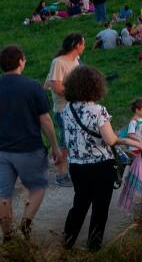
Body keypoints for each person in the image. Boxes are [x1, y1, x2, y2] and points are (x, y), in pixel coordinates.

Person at [61, 66, 142, 251]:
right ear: (95, 86)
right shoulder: (98, 110)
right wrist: (130, 141)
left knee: (79, 204)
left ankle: (67, 241)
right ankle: (93, 246)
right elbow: (110, 139)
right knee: (100, 207)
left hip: (76, 165)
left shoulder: (68, 109)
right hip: (100, 166)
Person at [0, 46, 64, 242]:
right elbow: (45, 120)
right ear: (20, 61)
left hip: (2, 150)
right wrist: (55, 146)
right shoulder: (33, 86)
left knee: (3, 194)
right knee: (37, 188)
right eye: (24, 59)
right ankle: (26, 223)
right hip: (30, 149)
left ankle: (8, 235)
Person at [46, 33, 85, 188]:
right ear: (76, 45)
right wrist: (75, 95)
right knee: (64, 142)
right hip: (64, 109)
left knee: (77, 141)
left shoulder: (76, 60)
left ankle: (76, 171)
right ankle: (61, 175)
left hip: (77, 108)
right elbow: (56, 87)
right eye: (83, 43)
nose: (84, 46)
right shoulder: (59, 62)